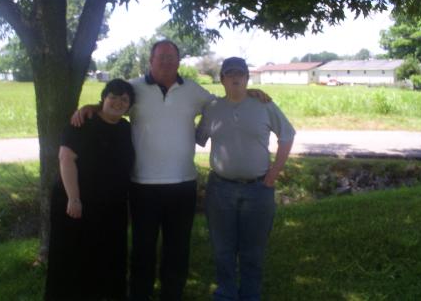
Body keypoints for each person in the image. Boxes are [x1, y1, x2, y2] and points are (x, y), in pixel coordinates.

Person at [72, 41, 270, 301]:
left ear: (178, 61)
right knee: (143, 248)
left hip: (183, 183)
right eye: (161, 57)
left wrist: (248, 91)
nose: (166, 62)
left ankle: (172, 294)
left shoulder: (193, 90)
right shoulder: (134, 88)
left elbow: (224, 103)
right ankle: (140, 295)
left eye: (171, 58)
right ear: (151, 61)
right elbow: (114, 106)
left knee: (177, 249)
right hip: (142, 184)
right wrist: (92, 108)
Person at [196, 57, 295, 301]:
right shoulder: (213, 108)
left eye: (240, 73)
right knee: (222, 250)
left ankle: (251, 295)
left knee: (253, 252)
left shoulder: (264, 105)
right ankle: (226, 294)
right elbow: (198, 138)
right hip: (220, 189)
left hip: (258, 189)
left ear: (248, 78)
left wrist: (274, 173)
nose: (235, 78)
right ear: (222, 79)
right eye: (229, 74)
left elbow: (287, 135)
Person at [45, 78, 135, 301]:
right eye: (113, 96)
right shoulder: (82, 123)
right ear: (103, 98)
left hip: (112, 206)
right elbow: (66, 159)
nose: (118, 102)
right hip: (77, 204)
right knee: (74, 257)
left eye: (124, 99)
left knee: (109, 257)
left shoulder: (126, 128)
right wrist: (74, 198)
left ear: (130, 105)